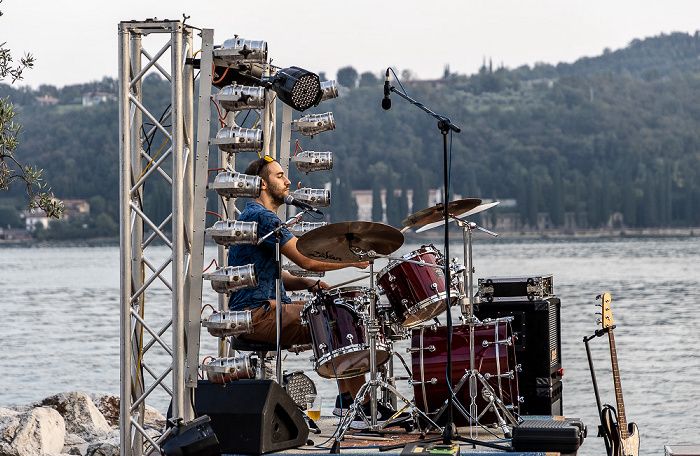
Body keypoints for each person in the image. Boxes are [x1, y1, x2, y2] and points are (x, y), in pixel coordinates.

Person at [228, 156, 404, 427]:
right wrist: (353, 260)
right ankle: (360, 406)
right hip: (257, 315)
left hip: (261, 309)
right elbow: (306, 260)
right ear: (262, 185)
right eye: (279, 176)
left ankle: (348, 401)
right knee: (336, 321)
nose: (287, 181)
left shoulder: (252, 216)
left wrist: (308, 283)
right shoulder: (261, 216)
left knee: (334, 313)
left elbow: (275, 276)